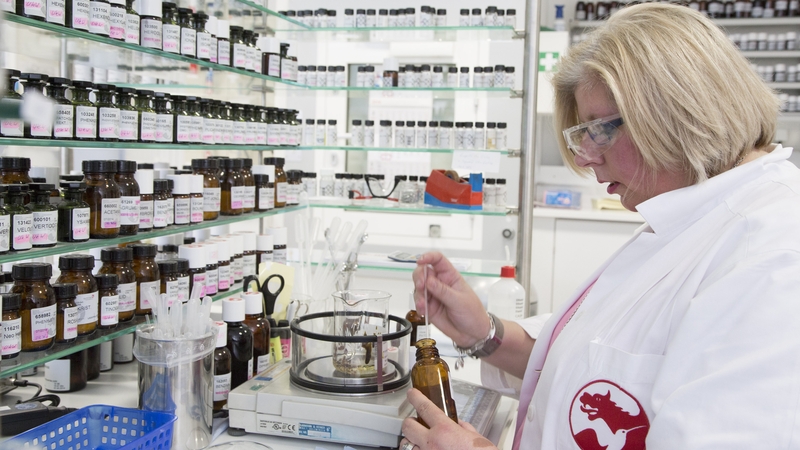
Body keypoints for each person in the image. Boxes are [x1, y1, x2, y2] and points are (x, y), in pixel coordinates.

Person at [399, 3, 800, 450]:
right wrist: (485, 334)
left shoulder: (772, 260)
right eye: (582, 134)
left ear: (679, 111)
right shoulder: (690, 216)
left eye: (602, 130)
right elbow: (597, 365)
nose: (587, 158)